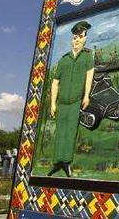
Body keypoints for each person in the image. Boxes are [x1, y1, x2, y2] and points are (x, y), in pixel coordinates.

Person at [47, 21, 94, 177]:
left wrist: (86, 95)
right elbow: (55, 82)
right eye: (75, 37)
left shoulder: (87, 57)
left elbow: (89, 76)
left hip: (75, 102)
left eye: (80, 37)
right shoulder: (64, 59)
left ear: (85, 38)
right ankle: (57, 163)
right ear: (72, 39)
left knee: (70, 132)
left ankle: (66, 162)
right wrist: (52, 103)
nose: (77, 40)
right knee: (60, 132)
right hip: (62, 103)